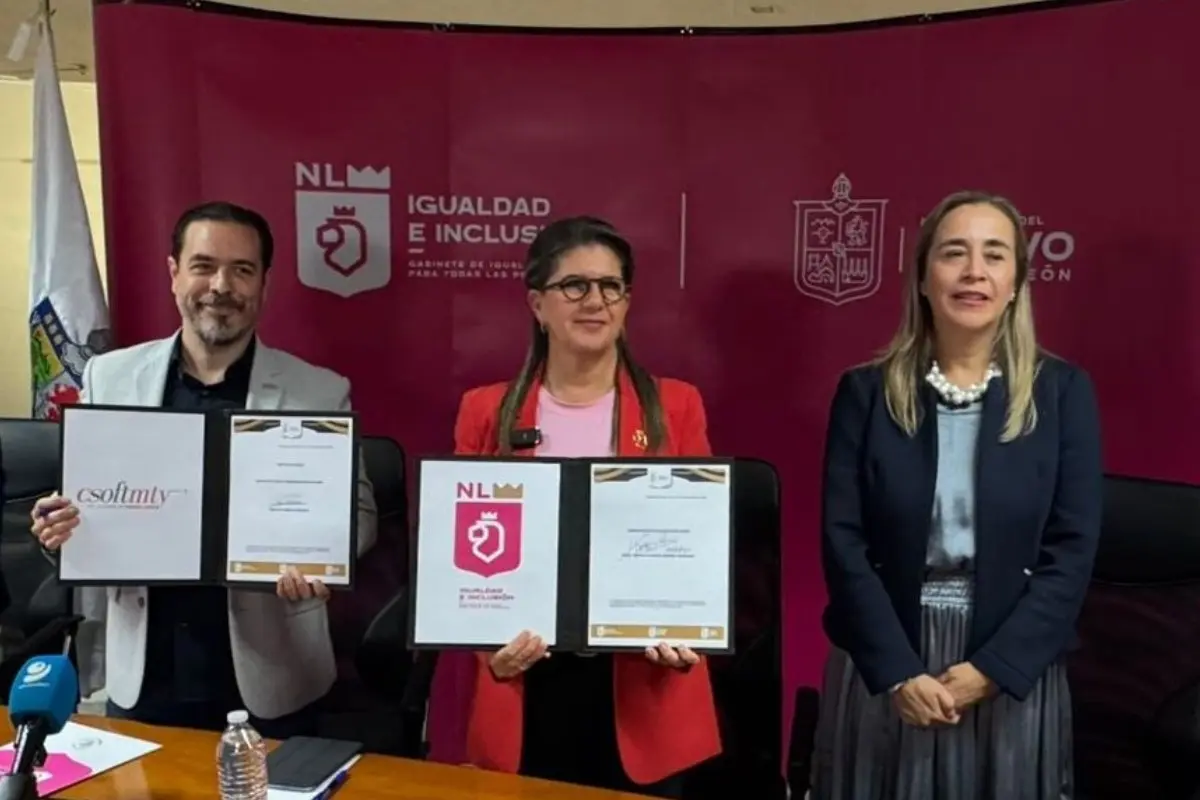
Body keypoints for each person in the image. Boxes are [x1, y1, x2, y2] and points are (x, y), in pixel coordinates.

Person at [28, 201, 378, 738]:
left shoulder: (319, 389)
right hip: (146, 670)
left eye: (242, 270)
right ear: (173, 273)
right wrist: (60, 531)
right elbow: (87, 503)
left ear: (264, 283)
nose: (222, 285)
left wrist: (323, 554)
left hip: (272, 671)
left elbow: (360, 516)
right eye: (204, 265)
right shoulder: (109, 376)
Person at [811, 190, 1102, 799]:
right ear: (922, 277)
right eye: (953, 253)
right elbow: (844, 544)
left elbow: (1071, 552)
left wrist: (992, 671)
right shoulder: (865, 395)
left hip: (1004, 662)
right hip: (889, 662)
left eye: (994, 255)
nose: (974, 271)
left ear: (1018, 281)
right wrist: (898, 673)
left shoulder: (1061, 395)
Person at [441, 216, 721, 797]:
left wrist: (689, 623)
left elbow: (702, 541)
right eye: (574, 286)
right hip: (526, 679)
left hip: (644, 684)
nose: (594, 300)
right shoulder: (485, 412)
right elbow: (457, 553)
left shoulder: (676, 407)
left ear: (625, 303)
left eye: (610, 286)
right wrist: (483, 638)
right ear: (537, 304)